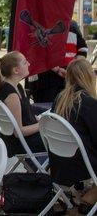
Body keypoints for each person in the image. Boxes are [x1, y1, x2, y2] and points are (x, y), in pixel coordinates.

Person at [51, 58, 97, 214]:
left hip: (59, 162)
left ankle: (87, 196)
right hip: (81, 163)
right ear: (89, 76)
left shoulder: (60, 99)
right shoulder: (89, 103)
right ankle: (90, 197)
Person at [0, 51, 45, 159]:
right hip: (21, 143)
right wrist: (42, 125)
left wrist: (37, 120)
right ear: (16, 70)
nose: (28, 64)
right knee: (65, 142)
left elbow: (25, 118)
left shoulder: (17, 87)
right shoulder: (11, 95)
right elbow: (18, 132)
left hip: (26, 139)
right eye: (24, 63)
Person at [28, 20, 88, 103]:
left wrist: (74, 68)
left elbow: (82, 49)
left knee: (68, 110)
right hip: (45, 81)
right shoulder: (39, 21)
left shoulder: (72, 25)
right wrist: (58, 69)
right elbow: (37, 51)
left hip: (70, 78)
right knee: (46, 110)